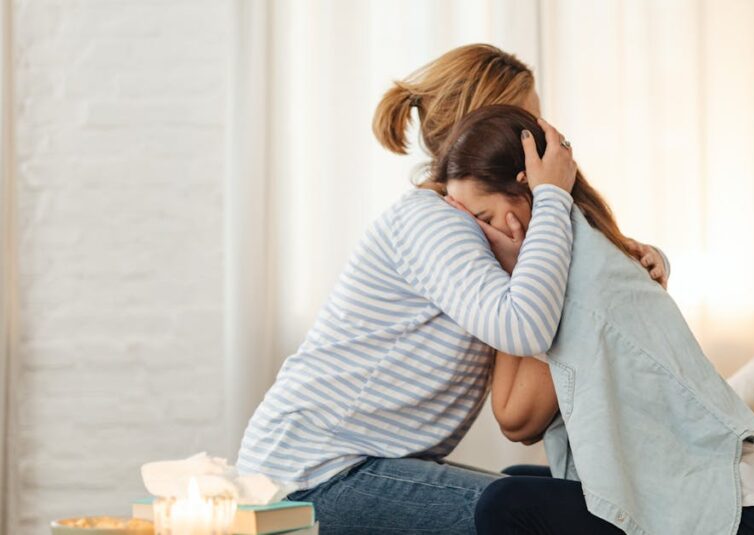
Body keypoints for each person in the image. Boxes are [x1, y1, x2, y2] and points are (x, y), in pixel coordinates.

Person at [235, 44, 667, 535]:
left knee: (538, 498)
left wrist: (636, 255)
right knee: (536, 515)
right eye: (531, 128)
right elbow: (524, 327)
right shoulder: (434, 222)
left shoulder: (477, 226)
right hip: (311, 473)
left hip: (345, 464)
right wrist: (551, 194)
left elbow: (558, 285)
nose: (545, 150)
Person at [436, 105, 754, 535]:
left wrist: (514, 275)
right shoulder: (574, 250)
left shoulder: (578, 271)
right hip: (720, 503)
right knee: (517, 481)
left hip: (747, 518)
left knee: (507, 504)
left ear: (529, 190)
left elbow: (516, 419)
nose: (479, 241)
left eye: (483, 220)